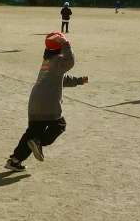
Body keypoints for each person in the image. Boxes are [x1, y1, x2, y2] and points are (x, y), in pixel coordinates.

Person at [5, 32, 88, 171]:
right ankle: (38, 142)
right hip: (48, 103)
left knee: (32, 133)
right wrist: (66, 44)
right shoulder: (58, 60)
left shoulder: (48, 61)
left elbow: (62, 79)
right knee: (59, 125)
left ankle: (15, 161)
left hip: (35, 102)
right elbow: (70, 61)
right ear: (60, 48)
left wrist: (79, 80)